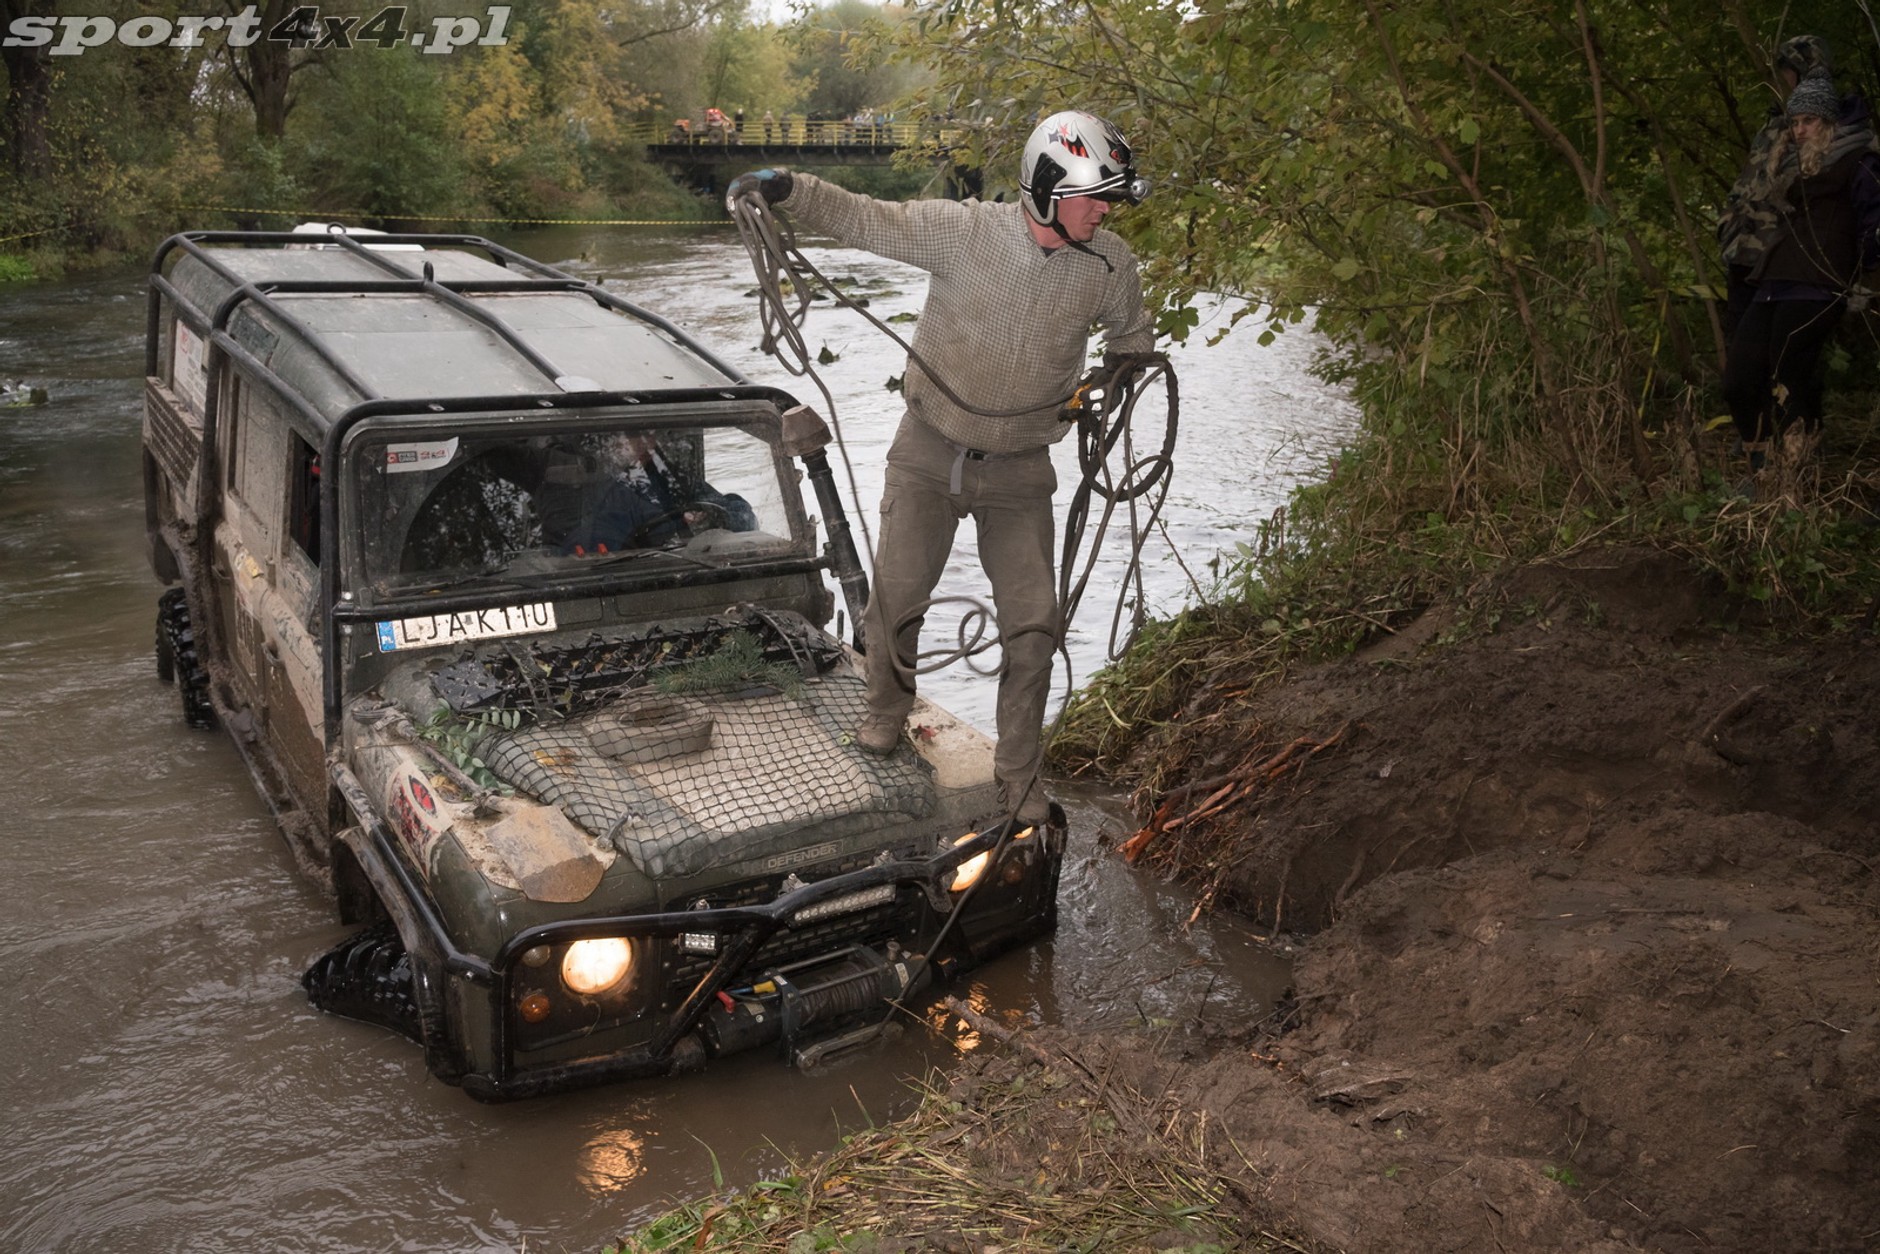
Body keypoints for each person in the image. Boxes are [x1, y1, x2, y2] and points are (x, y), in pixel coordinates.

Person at [725, 109, 1153, 826]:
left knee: (1035, 626)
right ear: (1048, 187)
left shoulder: (1111, 266)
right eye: (1095, 196)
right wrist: (785, 185)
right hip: (927, 451)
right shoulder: (965, 232)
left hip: (1021, 472)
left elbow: (1130, 339)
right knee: (897, 599)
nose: (1106, 211)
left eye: (1109, 199)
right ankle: (886, 713)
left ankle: (1016, 774)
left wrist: (1122, 374)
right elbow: (866, 218)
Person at [1722, 67, 1880, 479]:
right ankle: (1762, 471)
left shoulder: (1859, 161)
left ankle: (1793, 483)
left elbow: (1874, 226)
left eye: (1808, 120)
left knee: (1787, 380)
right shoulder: (1789, 168)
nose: (1799, 129)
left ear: (1828, 122)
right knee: (1739, 379)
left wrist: (1865, 281)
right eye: (1794, 122)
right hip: (1773, 281)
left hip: (1818, 285)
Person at [1718, 36, 1837, 336]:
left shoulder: (1819, 126)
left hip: (1780, 260)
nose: (1782, 78)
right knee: (1740, 346)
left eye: (1788, 70)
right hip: (1742, 250)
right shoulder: (1776, 124)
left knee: (1777, 353)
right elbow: (1748, 181)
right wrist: (1727, 223)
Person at [546, 431, 755, 553]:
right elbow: (589, 545)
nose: (644, 444)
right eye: (631, 437)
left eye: (647, 435)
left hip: (688, 570)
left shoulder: (673, 477)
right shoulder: (603, 491)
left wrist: (711, 517)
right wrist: (675, 524)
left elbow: (741, 516)